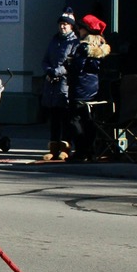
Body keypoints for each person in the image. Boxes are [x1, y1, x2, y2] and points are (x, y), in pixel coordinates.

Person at [65, 14, 111, 161]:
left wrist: (68, 63)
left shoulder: (83, 47)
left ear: (86, 30)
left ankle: (80, 151)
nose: (79, 30)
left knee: (74, 119)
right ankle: (91, 151)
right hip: (94, 87)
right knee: (89, 120)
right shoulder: (101, 47)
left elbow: (77, 68)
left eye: (80, 28)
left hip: (80, 87)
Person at [39, 9, 78, 161]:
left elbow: (72, 63)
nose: (63, 27)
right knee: (54, 118)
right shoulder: (54, 40)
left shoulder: (74, 42)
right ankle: (53, 148)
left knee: (66, 118)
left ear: (71, 26)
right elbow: (45, 60)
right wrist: (48, 71)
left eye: (66, 25)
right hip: (51, 86)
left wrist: (57, 72)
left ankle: (65, 148)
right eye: (61, 24)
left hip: (65, 85)